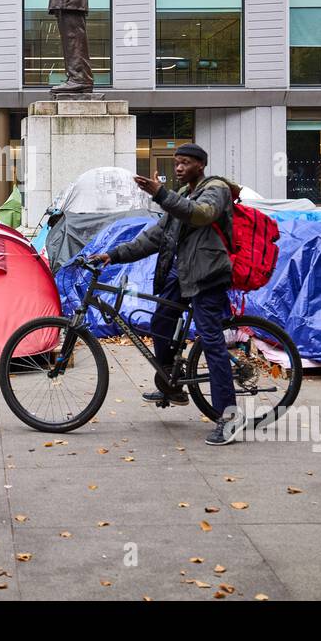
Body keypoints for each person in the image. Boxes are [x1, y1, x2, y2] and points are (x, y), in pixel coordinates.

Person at [89, 144, 243, 447]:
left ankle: (229, 417)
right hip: (185, 274)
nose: (179, 168)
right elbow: (154, 238)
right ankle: (171, 384)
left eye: (185, 163)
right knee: (160, 320)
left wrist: (160, 194)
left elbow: (202, 215)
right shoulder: (183, 197)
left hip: (208, 275)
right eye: (176, 163)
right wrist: (113, 254)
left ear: (201, 165)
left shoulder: (216, 189)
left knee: (211, 342)